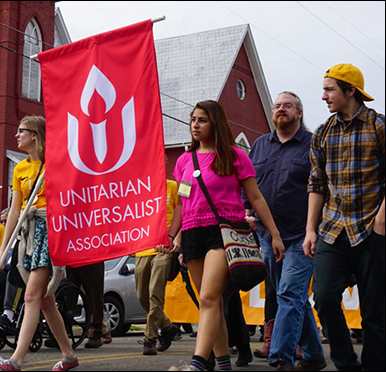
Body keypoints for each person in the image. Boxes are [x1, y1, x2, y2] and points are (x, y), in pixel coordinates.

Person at [161, 100, 285, 371]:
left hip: (224, 232)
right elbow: (181, 204)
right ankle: (224, 364)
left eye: (202, 119)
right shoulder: (183, 161)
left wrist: (274, 234)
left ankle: (198, 363)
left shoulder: (234, 156)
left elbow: (256, 197)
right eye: (193, 119)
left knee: (208, 298)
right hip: (193, 233)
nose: (195, 124)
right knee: (211, 302)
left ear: (215, 123)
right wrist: (173, 236)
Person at [303, 63, 385, 371]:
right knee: (323, 298)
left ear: (350, 91)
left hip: (372, 230)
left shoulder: (379, 125)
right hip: (332, 230)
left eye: (329, 89)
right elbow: (316, 184)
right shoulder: (322, 133)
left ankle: (375, 366)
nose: (324, 96)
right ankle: (345, 364)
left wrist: (382, 219)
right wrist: (311, 230)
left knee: (375, 311)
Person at [0, 116, 78, 372]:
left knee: (31, 296)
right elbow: (14, 211)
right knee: (45, 300)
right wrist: (3, 250)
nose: (16, 136)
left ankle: (15, 360)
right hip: (27, 233)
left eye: (21, 131)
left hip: (50, 229)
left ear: (35, 135)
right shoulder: (19, 169)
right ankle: (69, 357)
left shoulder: (57, 164)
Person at [245, 91, 326, 371]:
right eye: (277, 106)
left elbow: (324, 187)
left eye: (287, 106)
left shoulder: (314, 144)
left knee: (289, 293)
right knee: (290, 294)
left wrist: (313, 229)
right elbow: (250, 185)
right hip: (268, 236)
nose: (281, 109)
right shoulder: (258, 145)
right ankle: (314, 356)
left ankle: (281, 359)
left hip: (302, 235)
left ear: (299, 113)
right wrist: (247, 212)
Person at [135, 178, 180, 355]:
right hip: (143, 248)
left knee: (155, 293)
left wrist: (176, 237)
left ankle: (150, 338)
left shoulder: (172, 186)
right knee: (142, 295)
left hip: (164, 247)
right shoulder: (138, 187)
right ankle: (168, 327)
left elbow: (183, 212)